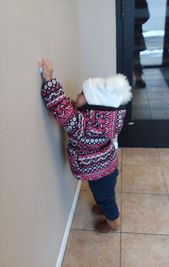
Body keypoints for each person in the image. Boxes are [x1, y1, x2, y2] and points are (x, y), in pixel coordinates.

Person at [39, 58, 132, 233]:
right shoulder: (107, 118)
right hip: (107, 167)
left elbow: (62, 110)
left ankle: (114, 222)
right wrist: (76, 105)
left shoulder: (85, 126)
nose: (77, 95)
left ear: (93, 104)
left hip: (100, 172)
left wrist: (50, 80)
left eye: (82, 94)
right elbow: (74, 113)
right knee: (103, 194)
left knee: (106, 198)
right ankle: (104, 205)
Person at [134, 0, 150, 89]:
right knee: (135, 58)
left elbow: (145, 16)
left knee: (136, 59)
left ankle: (138, 79)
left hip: (136, 33)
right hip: (134, 32)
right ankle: (138, 79)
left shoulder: (141, 1)